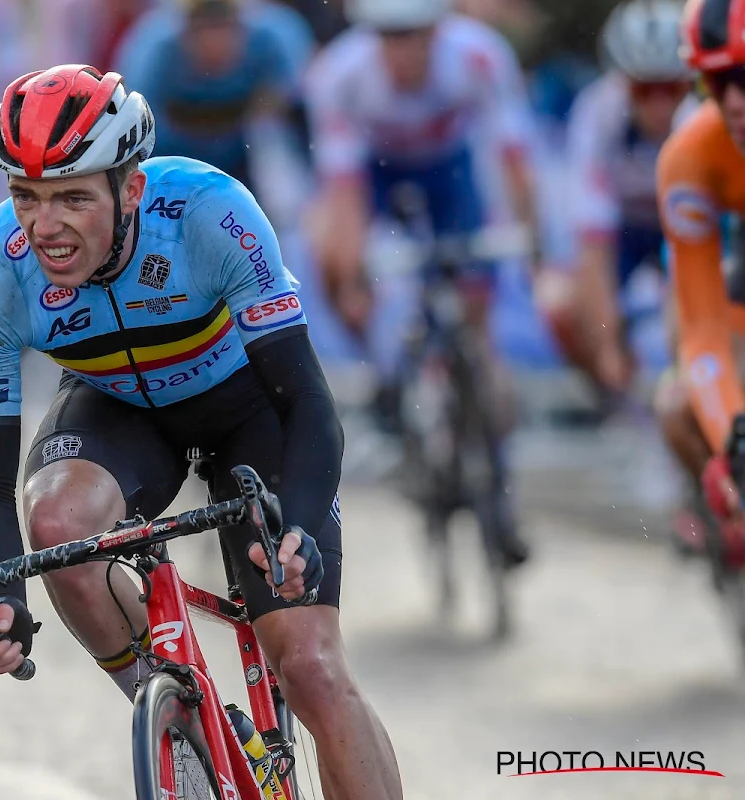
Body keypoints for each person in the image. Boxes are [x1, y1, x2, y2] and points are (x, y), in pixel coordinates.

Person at [0, 64, 403, 799]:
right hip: (118, 409)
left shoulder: (208, 211)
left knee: (312, 668)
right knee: (59, 528)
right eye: (25, 197)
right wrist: (0, 601)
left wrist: (304, 531)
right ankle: (188, 733)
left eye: (71, 197)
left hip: (249, 409)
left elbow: (308, 407)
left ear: (130, 189)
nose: (44, 225)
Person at [304, 0, 539, 565]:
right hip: (376, 178)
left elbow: (512, 158)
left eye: (413, 35)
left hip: (450, 177)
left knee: (477, 340)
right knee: (337, 267)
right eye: (387, 36)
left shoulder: (479, 55)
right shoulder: (341, 74)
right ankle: (390, 386)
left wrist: (532, 241)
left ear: (440, 29)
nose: (400, 50)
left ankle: (500, 493)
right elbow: (343, 191)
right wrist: (354, 277)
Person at [538, 0, 694, 415]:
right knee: (561, 304)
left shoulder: (701, 113)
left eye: (672, 90)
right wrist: (605, 344)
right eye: (645, 90)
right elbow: (594, 242)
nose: (660, 107)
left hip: (684, 224)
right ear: (623, 83)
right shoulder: (598, 112)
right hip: (625, 229)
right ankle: (612, 396)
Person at [653, 0, 745, 568]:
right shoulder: (688, 154)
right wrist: (733, 433)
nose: (734, 101)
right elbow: (703, 327)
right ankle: (722, 523)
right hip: (731, 286)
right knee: (675, 404)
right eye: (719, 81)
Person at [116, 0, 301, 192]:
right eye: (204, 30)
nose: (215, 43)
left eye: (224, 29)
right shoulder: (154, 50)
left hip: (246, 153)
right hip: (173, 154)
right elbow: (135, 123)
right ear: (185, 32)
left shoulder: (273, 40)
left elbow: (291, 101)